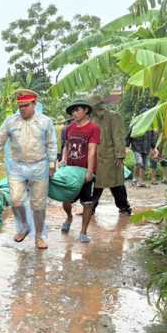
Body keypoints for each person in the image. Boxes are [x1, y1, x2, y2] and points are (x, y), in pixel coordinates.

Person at [0, 89, 57, 249]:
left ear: (34, 103)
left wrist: (51, 165)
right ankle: (23, 228)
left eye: (26, 105)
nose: (23, 109)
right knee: (16, 200)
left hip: (39, 166)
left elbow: (51, 143)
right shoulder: (10, 121)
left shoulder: (45, 121)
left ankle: (39, 236)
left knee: (38, 205)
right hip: (17, 167)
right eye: (20, 105)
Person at [60, 99, 101, 243]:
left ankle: (83, 231)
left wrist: (90, 172)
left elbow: (92, 150)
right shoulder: (69, 128)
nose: (75, 113)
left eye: (77, 110)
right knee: (66, 200)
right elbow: (67, 146)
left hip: (85, 171)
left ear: (86, 110)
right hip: (71, 170)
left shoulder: (93, 129)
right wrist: (64, 159)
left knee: (87, 202)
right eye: (73, 111)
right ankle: (69, 217)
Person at [87, 95, 132, 215]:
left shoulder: (113, 116)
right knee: (96, 184)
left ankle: (124, 208)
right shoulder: (92, 119)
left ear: (95, 107)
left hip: (111, 157)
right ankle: (90, 208)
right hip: (96, 157)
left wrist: (120, 154)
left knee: (116, 184)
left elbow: (118, 135)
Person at [125, 108, 158, 188]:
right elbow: (128, 137)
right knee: (139, 162)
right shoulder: (134, 125)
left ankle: (141, 182)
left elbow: (153, 138)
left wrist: (154, 148)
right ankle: (134, 178)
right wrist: (127, 147)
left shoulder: (150, 126)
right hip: (137, 147)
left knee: (144, 165)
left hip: (146, 148)